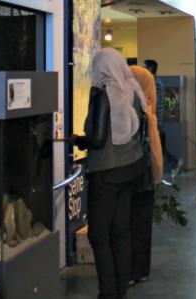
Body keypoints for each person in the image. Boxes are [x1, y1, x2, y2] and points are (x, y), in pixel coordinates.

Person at [68, 49, 148, 299]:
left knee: (98, 234)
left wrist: (78, 140)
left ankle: (108, 292)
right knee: (121, 231)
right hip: (132, 168)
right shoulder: (133, 90)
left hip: (107, 172)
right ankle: (120, 290)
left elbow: (99, 138)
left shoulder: (103, 94)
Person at [128, 64, 164, 286]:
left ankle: (131, 270)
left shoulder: (134, 110)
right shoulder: (148, 110)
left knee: (130, 223)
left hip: (134, 175)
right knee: (142, 224)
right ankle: (140, 269)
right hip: (148, 174)